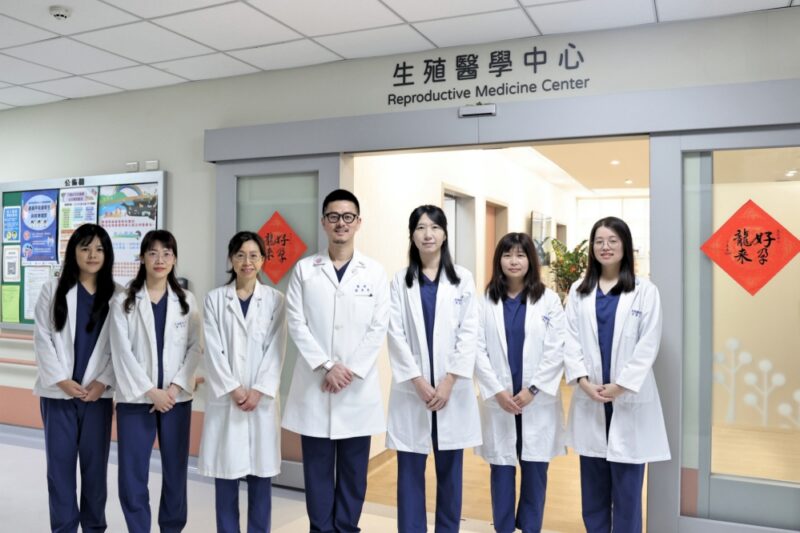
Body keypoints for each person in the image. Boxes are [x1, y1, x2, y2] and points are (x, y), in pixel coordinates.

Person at [281, 189, 390, 533]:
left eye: (347, 217)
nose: (340, 223)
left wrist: (349, 370)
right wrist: (327, 365)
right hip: (316, 384)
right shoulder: (304, 270)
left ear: (358, 222)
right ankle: (320, 528)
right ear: (324, 222)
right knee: (317, 470)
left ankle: (346, 527)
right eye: (333, 216)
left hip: (356, 388)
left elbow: (378, 326)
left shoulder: (374, 272)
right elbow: (296, 322)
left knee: (354, 471)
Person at [563, 217, 669, 533]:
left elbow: (649, 343)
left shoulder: (645, 291)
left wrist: (621, 386)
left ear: (625, 246)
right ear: (592, 248)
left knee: (627, 493)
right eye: (599, 241)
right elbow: (569, 339)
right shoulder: (578, 291)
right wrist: (582, 381)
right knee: (593, 492)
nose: (605, 247)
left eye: (612, 241)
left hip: (627, 399)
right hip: (591, 397)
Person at [386, 205, 481, 533]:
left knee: (450, 473)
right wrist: (417, 381)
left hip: (450, 389)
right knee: (410, 470)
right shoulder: (400, 281)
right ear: (412, 235)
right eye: (421, 228)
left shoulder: (462, 279)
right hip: (413, 390)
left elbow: (470, 332)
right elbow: (395, 333)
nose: (428, 234)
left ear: (444, 234)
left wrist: (449, 381)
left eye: (435, 227)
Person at [109, 229, 203, 533]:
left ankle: (172, 528)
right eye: (153, 253)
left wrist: (174, 388)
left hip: (176, 401)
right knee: (132, 474)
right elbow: (121, 352)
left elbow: (195, 347)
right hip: (137, 400)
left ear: (174, 259)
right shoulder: (123, 301)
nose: (159, 259)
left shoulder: (186, 300)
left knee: (175, 471)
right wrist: (152, 392)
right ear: (142, 258)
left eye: (166, 253)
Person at [474, 232, 567, 533]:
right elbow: (476, 349)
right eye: (507, 255)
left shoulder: (549, 301)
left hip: (535, 400)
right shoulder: (485, 301)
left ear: (531, 260)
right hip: (500, 400)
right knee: (501, 469)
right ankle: (502, 527)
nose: (513, 261)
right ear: (498, 260)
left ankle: (530, 528)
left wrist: (533, 389)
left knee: (535, 470)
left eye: (520, 255)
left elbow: (557, 348)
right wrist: (497, 390)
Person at [198, 231, 286, 533]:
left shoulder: (275, 300)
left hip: (261, 403)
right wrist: (234, 389)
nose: (246, 261)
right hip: (228, 400)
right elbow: (213, 350)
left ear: (263, 260)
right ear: (231, 259)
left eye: (253, 255)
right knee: (226, 476)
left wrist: (258, 391)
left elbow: (277, 349)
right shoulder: (214, 299)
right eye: (240, 255)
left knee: (261, 478)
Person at [33, 223, 118, 533]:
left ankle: (94, 527)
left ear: (107, 254)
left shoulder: (118, 296)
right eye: (85, 248)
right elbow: (42, 337)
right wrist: (60, 380)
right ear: (74, 253)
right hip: (59, 396)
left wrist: (103, 381)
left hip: (97, 396)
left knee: (95, 472)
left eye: (99, 249)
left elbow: (121, 348)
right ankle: (64, 528)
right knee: (60, 470)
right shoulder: (53, 289)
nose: (93, 255)